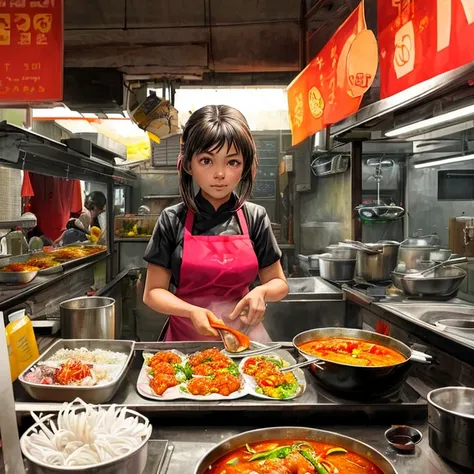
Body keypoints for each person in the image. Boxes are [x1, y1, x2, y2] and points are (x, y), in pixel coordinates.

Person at [143, 105, 288, 341]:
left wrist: (261, 292)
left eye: (232, 162)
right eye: (207, 160)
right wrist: (190, 311)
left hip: (245, 339)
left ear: (244, 167)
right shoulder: (172, 219)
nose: (220, 174)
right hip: (185, 343)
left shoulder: (255, 217)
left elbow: (278, 283)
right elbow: (153, 292)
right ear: (189, 164)